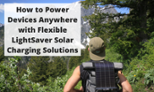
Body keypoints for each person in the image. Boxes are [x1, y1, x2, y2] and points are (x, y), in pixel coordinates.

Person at [64, 37, 133, 92]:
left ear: (89, 50)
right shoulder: (114, 67)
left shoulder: (81, 68)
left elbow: (67, 90)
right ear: (104, 49)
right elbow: (128, 90)